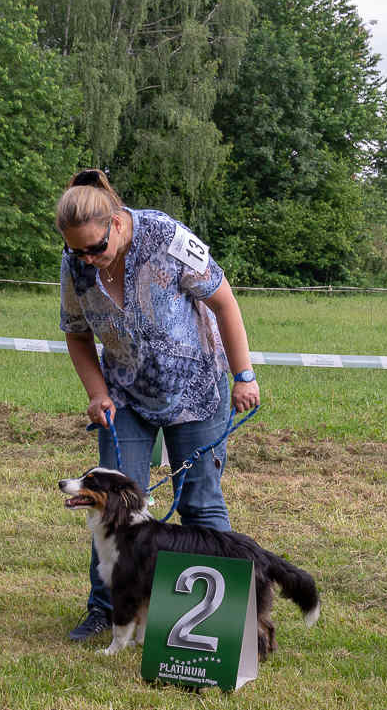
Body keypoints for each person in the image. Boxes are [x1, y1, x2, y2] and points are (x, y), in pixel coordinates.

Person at [56, 169, 261, 641]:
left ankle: (221, 622)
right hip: (125, 396)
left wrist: (243, 374)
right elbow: (77, 334)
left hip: (196, 393)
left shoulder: (166, 238)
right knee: (111, 508)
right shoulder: (76, 265)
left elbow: (225, 303)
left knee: (202, 507)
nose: (86, 258)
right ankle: (106, 611)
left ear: (116, 223)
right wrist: (96, 392)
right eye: (76, 250)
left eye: (95, 247)